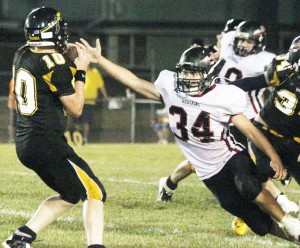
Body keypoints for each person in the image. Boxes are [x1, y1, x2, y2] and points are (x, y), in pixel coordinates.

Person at [80, 38, 300, 244]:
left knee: (248, 186)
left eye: (194, 73)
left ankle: (289, 221)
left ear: (207, 75)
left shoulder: (222, 95)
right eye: (185, 72)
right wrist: (100, 60)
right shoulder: (171, 87)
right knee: (258, 224)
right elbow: (134, 81)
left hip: (229, 156)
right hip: (207, 171)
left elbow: (251, 131)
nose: (187, 78)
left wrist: (273, 157)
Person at [156, 20, 298, 223]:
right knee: (207, 160)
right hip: (216, 104)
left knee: (249, 159)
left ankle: (276, 198)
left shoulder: (266, 59)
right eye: (240, 40)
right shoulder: (229, 44)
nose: (242, 45)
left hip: (246, 112)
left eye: (247, 42)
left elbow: (273, 86)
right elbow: (223, 42)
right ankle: (169, 183)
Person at [2, 7, 106, 248]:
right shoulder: (55, 64)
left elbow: (48, 61)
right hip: (46, 142)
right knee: (95, 192)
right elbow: (76, 108)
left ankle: (20, 238)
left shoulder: (22, 53)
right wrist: (82, 71)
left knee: (70, 194)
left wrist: (72, 55)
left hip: (26, 142)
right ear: (52, 31)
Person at [73, 64, 110, 144]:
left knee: (86, 121)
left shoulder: (95, 73)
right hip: (78, 101)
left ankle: (85, 138)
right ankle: (79, 138)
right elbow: (72, 84)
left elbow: (101, 86)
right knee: (77, 121)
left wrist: (106, 96)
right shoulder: (78, 72)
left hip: (89, 102)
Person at [7, 78, 16, 143]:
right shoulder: (13, 80)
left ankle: (14, 138)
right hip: (13, 105)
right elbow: (12, 91)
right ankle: (12, 138)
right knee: (12, 123)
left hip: (19, 106)